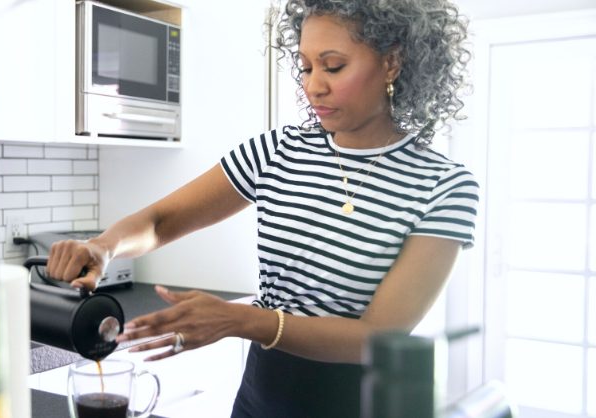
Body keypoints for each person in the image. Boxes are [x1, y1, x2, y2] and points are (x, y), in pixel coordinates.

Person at [46, 0, 477, 416]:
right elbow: (161, 223)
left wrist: (242, 320)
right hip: (259, 401)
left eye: (333, 66)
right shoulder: (277, 152)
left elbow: (378, 336)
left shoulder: (444, 187)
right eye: (306, 67)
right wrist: (104, 246)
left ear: (392, 62)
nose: (313, 85)